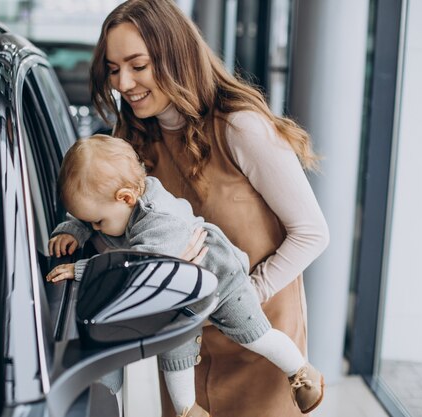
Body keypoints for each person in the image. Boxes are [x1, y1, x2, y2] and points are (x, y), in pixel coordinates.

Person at [87, 1, 330, 416]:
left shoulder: (240, 127)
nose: (123, 82)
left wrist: (244, 296)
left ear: (175, 57)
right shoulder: (130, 140)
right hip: (184, 348)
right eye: (113, 69)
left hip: (260, 348)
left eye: (137, 65)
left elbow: (311, 232)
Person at [47, 134, 325, 417]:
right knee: (175, 354)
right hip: (179, 294)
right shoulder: (121, 198)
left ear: (127, 198)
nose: (96, 228)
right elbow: (88, 214)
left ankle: (301, 372)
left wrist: (80, 270)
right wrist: (72, 230)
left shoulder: (159, 221)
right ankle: (188, 410)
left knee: (255, 336)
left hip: (222, 280)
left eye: (98, 223)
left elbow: (138, 269)